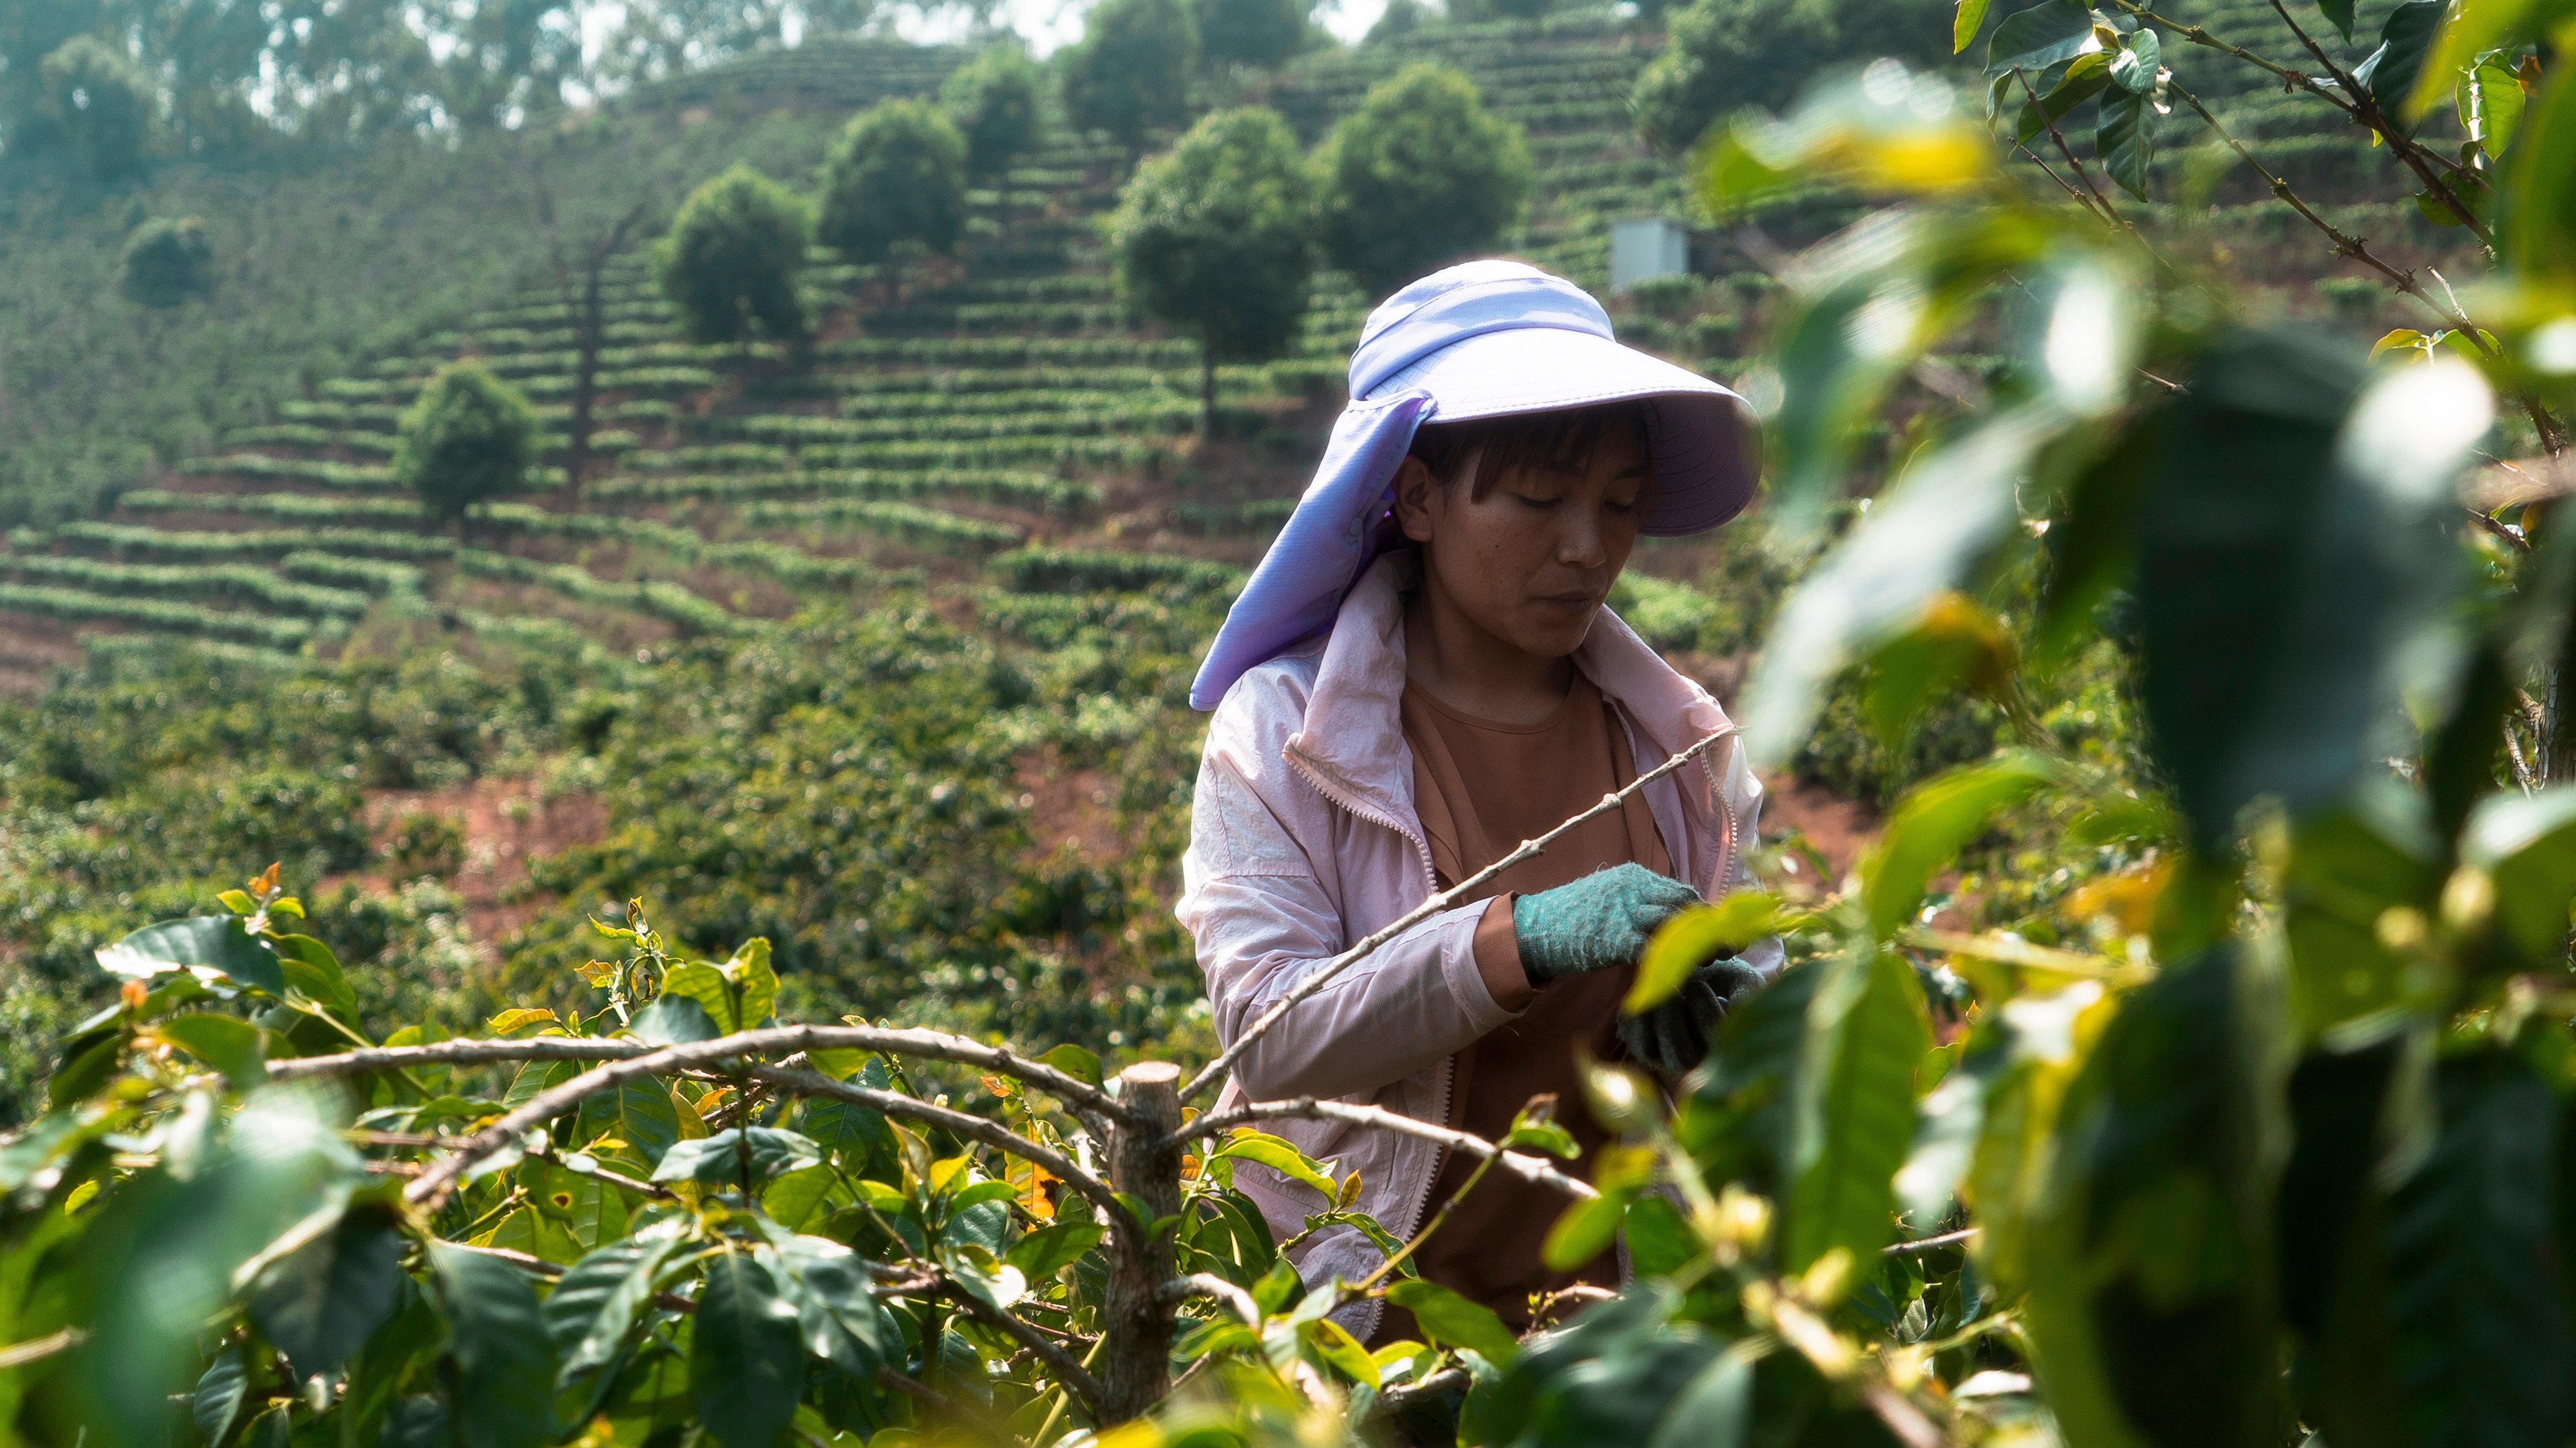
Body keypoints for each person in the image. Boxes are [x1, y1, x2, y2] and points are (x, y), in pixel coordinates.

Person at [1175, 259, 1779, 1344]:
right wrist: (1521, 939)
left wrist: (1725, 1030)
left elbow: (1759, 1045)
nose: (1587, 546)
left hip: (1610, 1352)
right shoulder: (1284, 733)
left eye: (1620, 503)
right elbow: (1266, 1034)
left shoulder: (1681, 747)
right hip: (1364, 1343)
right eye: (1541, 499)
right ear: (1415, 496)